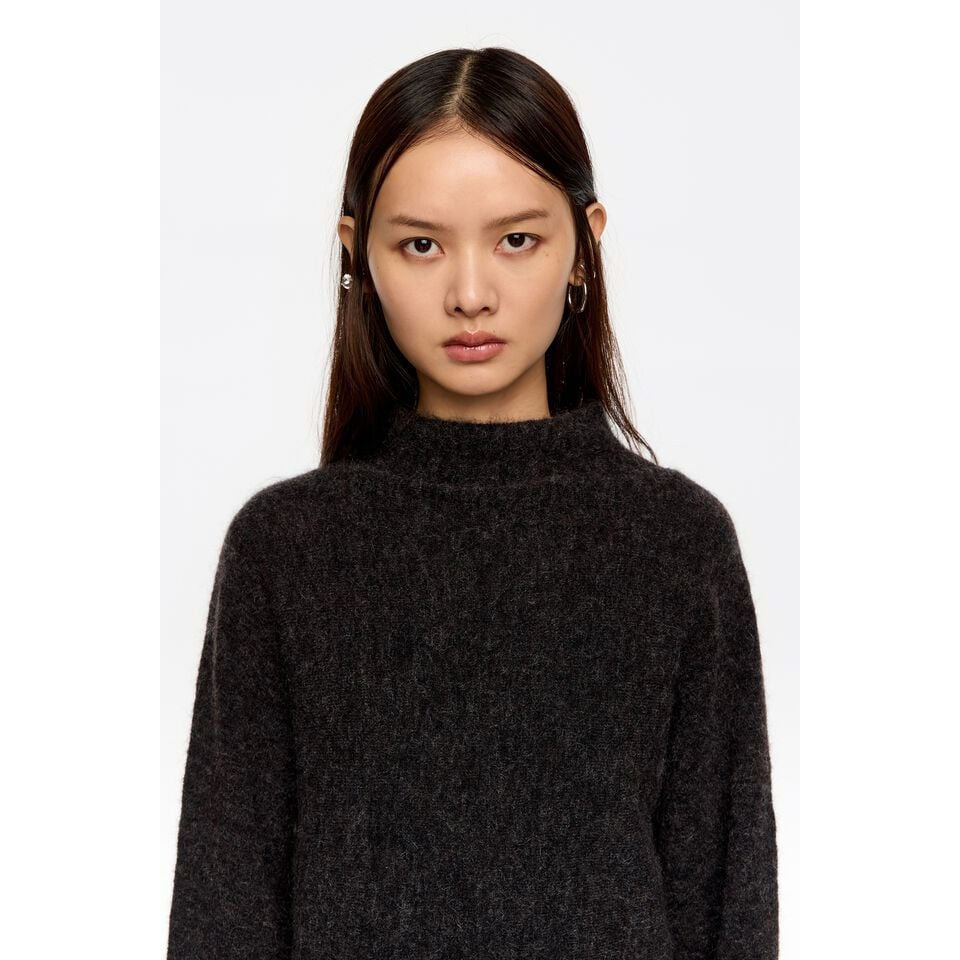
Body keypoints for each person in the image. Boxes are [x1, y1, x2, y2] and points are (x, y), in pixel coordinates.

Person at [166, 46, 779, 960]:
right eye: (421, 245)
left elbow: (726, 907)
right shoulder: (284, 550)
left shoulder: (677, 543)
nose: (470, 294)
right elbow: (224, 911)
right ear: (357, 254)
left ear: (584, 247)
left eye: (516, 240)